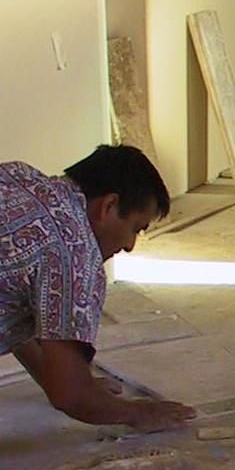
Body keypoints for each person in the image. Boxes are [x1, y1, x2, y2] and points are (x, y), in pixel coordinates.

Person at [0, 144, 196, 432]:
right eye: (135, 228)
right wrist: (134, 412)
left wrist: (63, 377)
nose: (129, 246)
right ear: (108, 206)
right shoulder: (74, 252)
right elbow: (70, 395)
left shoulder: (19, 176)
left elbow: (11, 313)